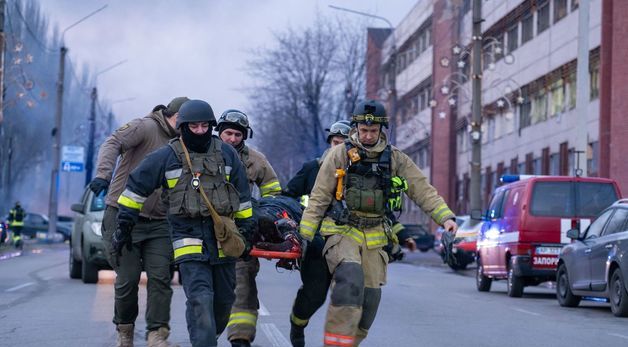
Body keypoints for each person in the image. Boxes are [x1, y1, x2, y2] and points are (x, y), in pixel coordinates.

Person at [299, 100, 458, 347]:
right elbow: (319, 197)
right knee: (350, 279)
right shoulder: (338, 155)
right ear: (356, 128)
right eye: (364, 130)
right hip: (342, 232)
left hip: (374, 236)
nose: (368, 135)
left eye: (373, 131)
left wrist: (445, 218)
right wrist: (305, 237)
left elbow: (422, 189)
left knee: (370, 299)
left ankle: (350, 342)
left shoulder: (395, 158)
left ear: (382, 131)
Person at [114, 99, 254, 347]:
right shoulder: (167, 156)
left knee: (223, 302)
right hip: (187, 237)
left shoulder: (227, 153)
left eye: (204, 126)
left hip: (223, 238)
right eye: (194, 126)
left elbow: (242, 196)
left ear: (210, 126)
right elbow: (135, 188)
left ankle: (207, 336)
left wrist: (247, 230)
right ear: (182, 127)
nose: (199, 131)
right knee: (200, 299)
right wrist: (125, 223)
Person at [91, 97, 188, 347]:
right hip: (123, 216)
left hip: (159, 222)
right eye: (182, 120)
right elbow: (113, 142)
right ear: (171, 115)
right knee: (128, 278)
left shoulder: (184, 144)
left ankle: (157, 335)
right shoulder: (145, 127)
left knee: (161, 278)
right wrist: (104, 174)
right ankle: (125, 332)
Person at [215, 109, 282, 347]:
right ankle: (206, 333)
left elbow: (273, 193)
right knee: (209, 289)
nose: (232, 139)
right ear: (219, 132)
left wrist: (261, 216)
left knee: (242, 285)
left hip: (241, 232)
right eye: (228, 133)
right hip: (205, 233)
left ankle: (240, 339)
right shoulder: (202, 154)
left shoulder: (256, 159)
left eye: (237, 134)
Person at [282, 120, 350, 347]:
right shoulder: (313, 168)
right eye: (335, 142)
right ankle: (297, 325)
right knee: (315, 294)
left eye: (343, 144)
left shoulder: (359, 175)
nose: (337, 148)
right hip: (316, 244)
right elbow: (288, 195)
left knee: (349, 295)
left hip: (349, 243)